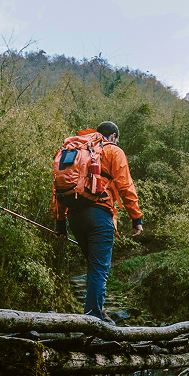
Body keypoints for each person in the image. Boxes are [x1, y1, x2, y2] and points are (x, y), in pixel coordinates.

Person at [54, 121, 143, 323]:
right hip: (99, 215)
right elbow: (125, 186)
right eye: (117, 139)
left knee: (93, 266)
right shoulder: (112, 151)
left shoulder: (74, 150)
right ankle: (93, 319)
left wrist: (61, 224)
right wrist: (136, 218)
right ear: (112, 136)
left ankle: (97, 311)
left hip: (74, 216)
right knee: (99, 268)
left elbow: (59, 187)